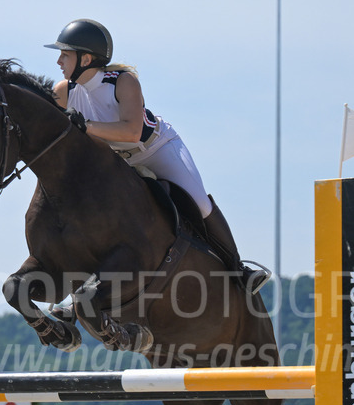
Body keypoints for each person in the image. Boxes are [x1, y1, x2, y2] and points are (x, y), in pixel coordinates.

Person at [45, 19, 270, 293]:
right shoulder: (63, 92)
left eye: (65, 54)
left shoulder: (123, 82)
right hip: (118, 163)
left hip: (155, 150)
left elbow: (131, 131)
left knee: (198, 202)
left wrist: (85, 126)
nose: (59, 61)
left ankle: (239, 270)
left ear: (87, 58)